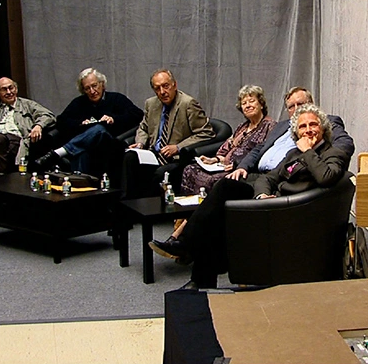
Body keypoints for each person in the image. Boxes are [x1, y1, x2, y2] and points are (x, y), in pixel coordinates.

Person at [150, 104, 350, 289]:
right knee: (225, 188)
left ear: (323, 128)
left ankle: (190, 255)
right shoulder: (293, 154)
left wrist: (307, 151)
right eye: (302, 126)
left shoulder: (333, 153)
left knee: (219, 217)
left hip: (291, 212)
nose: (308, 130)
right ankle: (196, 272)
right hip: (272, 202)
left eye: (313, 124)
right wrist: (262, 195)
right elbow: (268, 178)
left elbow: (326, 177)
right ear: (296, 132)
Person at [226, 86, 354, 183]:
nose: (296, 109)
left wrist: (327, 157)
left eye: (301, 104)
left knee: (224, 186)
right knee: (222, 181)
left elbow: (345, 142)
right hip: (260, 175)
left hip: (287, 176)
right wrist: (242, 167)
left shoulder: (323, 122)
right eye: (291, 106)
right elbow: (259, 148)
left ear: (311, 104)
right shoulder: (280, 126)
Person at [122, 69, 215, 198]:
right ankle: (128, 202)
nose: (162, 92)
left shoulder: (188, 104)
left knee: (160, 173)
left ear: (174, 85)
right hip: (153, 153)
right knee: (130, 158)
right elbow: (143, 128)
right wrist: (140, 143)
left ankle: (151, 209)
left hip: (175, 158)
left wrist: (178, 147)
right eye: (157, 88)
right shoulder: (151, 103)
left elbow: (206, 133)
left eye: (166, 86)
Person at [34, 68, 143, 177]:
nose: (92, 91)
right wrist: (80, 124)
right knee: (82, 150)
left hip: (109, 143)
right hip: (86, 145)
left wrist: (114, 119)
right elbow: (61, 121)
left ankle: (59, 153)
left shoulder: (116, 99)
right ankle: (81, 186)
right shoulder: (79, 103)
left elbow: (138, 114)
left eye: (94, 86)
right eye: (87, 88)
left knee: (99, 129)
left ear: (102, 84)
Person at [179, 84, 276, 195]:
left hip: (244, 169)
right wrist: (214, 160)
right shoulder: (242, 127)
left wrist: (238, 164)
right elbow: (226, 149)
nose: (248, 105)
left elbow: (264, 153)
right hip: (223, 165)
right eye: (244, 103)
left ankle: (208, 209)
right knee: (190, 169)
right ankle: (188, 208)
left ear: (261, 104)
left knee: (212, 180)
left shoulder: (270, 126)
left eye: (252, 101)